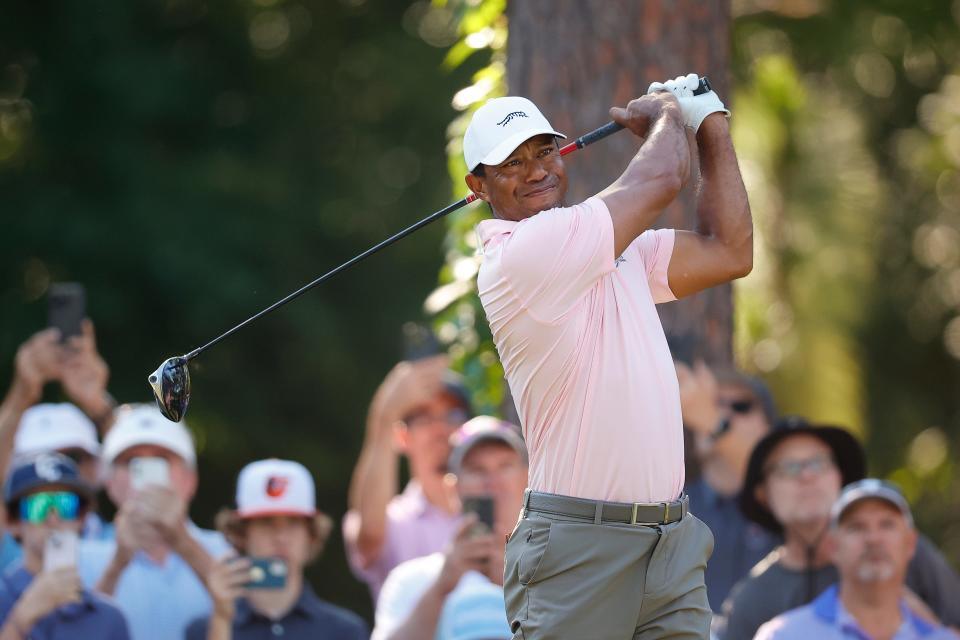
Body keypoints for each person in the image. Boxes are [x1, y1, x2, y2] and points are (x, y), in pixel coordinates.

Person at [466, 72, 751, 637]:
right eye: (512, 164)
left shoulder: (615, 252)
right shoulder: (521, 256)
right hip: (578, 547)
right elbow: (663, 174)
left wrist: (711, 123)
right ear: (478, 188)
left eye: (545, 151)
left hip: (670, 540)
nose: (538, 171)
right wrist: (672, 111)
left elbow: (730, 251)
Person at [715, 419, 960, 639]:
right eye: (788, 468)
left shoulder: (900, 552)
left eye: (819, 463)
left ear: (840, 477)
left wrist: (919, 625)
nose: (807, 477)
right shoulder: (752, 601)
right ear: (763, 494)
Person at [77, 404, 231, 640]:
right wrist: (117, 565)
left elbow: (255, 624)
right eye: (131, 462)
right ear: (110, 482)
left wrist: (183, 543)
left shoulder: (227, 550)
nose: (146, 478)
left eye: (161, 460)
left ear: (190, 479)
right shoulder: (80, 558)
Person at [372, 416, 526, 640]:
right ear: (452, 488)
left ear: (527, 479)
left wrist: (512, 586)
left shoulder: (554, 575)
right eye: (477, 469)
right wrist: (441, 588)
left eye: (505, 466)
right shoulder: (411, 580)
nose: (493, 480)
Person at [186, 458, 368, 640]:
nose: (281, 537)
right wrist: (221, 619)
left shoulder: (346, 632)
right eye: (267, 523)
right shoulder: (203, 630)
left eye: (293, 523)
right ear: (241, 534)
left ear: (311, 535)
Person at [755, 479, 958, 639]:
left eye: (887, 525)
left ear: (910, 543)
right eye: (856, 527)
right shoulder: (783, 635)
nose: (873, 538)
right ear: (833, 546)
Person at [344, 356, 472, 601]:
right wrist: (385, 414)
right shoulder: (393, 519)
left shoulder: (490, 513)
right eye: (424, 417)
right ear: (401, 437)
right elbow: (369, 534)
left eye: (453, 415)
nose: (440, 429)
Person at [0, 324, 115, 570]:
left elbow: (140, 459)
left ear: (97, 467)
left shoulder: (125, 542)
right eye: (34, 462)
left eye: (72, 457)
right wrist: (21, 393)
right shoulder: (5, 546)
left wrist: (98, 403)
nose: (53, 471)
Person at [676, 362, 780, 610]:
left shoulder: (784, 499)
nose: (724, 414)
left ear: (767, 428)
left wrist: (714, 423)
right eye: (713, 403)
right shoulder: (670, 505)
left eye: (741, 406)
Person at [0, 453, 129, 639]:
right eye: (39, 505)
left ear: (82, 518)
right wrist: (19, 621)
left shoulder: (110, 617)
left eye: (65, 504)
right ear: (13, 522)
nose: (53, 518)